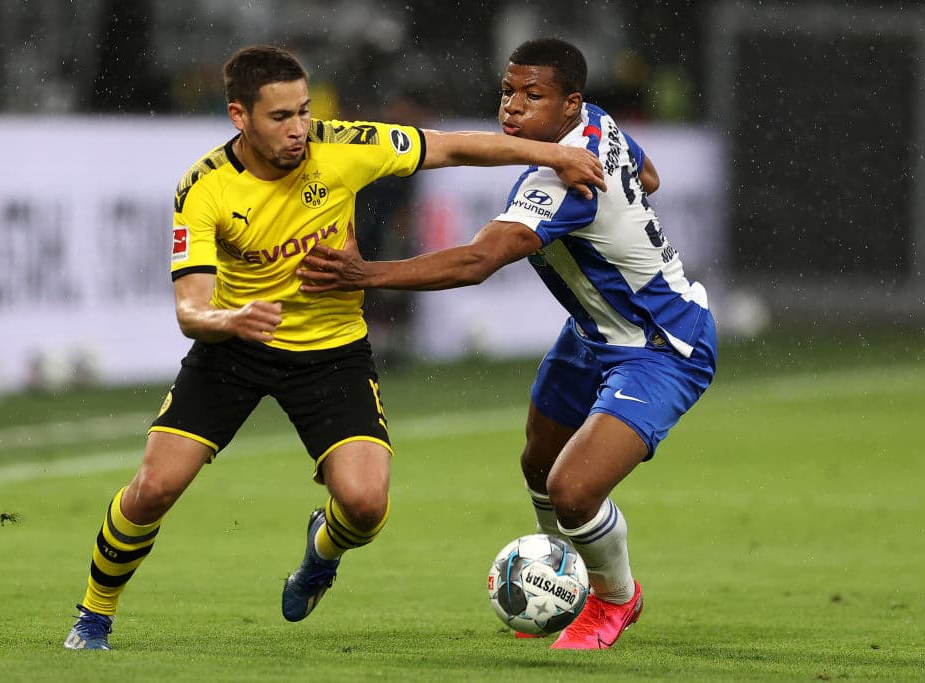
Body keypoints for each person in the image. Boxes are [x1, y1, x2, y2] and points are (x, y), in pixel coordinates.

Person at [63, 44, 606, 651]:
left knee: (366, 505)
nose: (299, 129)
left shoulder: (343, 144)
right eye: (280, 117)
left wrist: (555, 154)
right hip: (235, 345)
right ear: (239, 116)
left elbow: (454, 147)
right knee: (155, 487)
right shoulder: (204, 188)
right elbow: (190, 309)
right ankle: (93, 616)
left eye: (303, 110)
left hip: (331, 350)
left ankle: (321, 551)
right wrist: (230, 317)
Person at [297, 37, 716, 650]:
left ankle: (614, 599)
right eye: (507, 91)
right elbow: (647, 173)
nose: (513, 107)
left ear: (570, 102)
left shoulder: (563, 180)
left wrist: (366, 275)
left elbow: (477, 261)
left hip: (661, 345)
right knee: (539, 463)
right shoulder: (596, 125)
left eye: (533, 95)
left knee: (574, 490)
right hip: (592, 333)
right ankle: (562, 576)